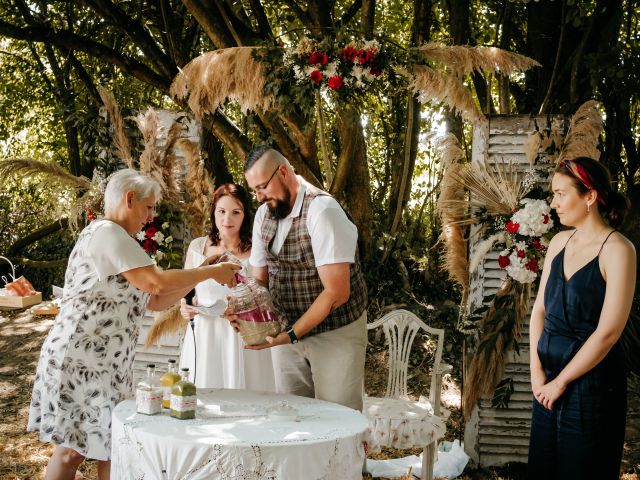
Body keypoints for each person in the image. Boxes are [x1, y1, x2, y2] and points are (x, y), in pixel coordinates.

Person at [27, 169, 240, 480]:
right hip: (80, 361)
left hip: (106, 365)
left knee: (115, 445)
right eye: (149, 207)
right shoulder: (106, 233)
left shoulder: (121, 239)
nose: (151, 217)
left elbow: (155, 301)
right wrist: (207, 275)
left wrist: (200, 269)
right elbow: (155, 282)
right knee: (73, 450)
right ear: (130, 199)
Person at [238, 144, 368, 411]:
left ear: (283, 172)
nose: (259, 197)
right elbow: (259, 281)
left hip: (335, 333)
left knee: (338, 421)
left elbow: (336, 293)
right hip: (287, 333)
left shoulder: (322, 211)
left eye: (262, 187)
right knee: (293, 418)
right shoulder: (264, 214)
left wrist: (291, 335)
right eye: (254, 190)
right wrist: (245, 313)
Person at [528, 157, 636, 479]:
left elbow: (608, 333)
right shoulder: (558, 242)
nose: (553, 203)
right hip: (546, 384)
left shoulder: (618, 249)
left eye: (561, 194)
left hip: (592, 389)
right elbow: (539, 311)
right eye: (553, 194)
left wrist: (562, 382)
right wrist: (537, 373)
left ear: (590, 197)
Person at [179, 183, 276, 391]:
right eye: (221, 211)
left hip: (243, 332)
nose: (227, 219)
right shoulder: (198, 247)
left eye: (235, 212)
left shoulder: (257, 250)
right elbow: (187, 291)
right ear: (214, 212)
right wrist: (185, 306)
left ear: (245, 215)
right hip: (205, 335)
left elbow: (264, 295)